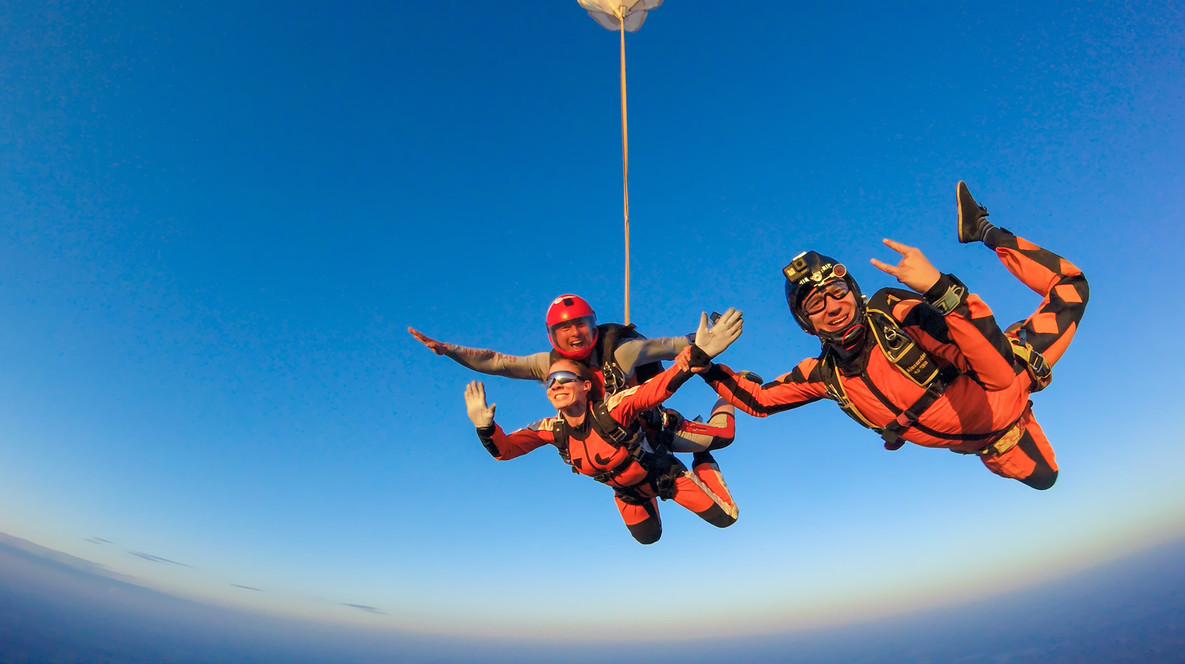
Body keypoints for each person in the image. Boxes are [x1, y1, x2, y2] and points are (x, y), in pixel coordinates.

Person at [694, 182, 1088, 490]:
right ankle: (1014, 437)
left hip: (1005, 378)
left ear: (854, 292)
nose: (833, 307)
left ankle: (982, 229)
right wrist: (701, 363)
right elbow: (759, 401)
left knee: (1071, 286)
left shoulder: (894, 317)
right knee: (1045, 477)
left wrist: (940, 290)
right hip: (993, 437)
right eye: (816, 305)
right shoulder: (824, 374)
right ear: (806, 324)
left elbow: (999, 373)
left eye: (838, 293)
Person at [463, 310, 743, 544]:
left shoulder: (614, 409)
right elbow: (506, 449)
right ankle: (654, 495)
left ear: (586, 386)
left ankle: (704, 458)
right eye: (551, 382)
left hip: (662, 468)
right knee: (648, 538)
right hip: (629, 491)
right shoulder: (553, 429)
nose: (557, 384)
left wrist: (698, 354)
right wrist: (485, 427)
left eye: (564, 378)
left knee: (726, 515)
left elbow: (657, 388)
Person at [411, 294, 739, 453]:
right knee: (648, 533)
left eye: (580, 325)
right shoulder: (548, 365)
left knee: (721, 438)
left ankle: (726, 402)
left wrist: (702, 339)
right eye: (564, 329)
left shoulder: (621, 350)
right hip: (613, 445)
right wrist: (450, 350)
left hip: (649, 425)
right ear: (553, 335)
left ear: (593, 325)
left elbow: (667, 345)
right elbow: (498, 362)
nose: (575, 335)